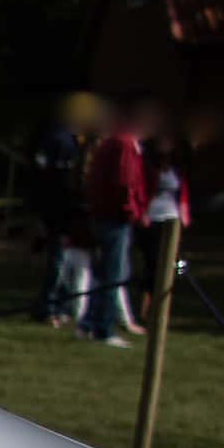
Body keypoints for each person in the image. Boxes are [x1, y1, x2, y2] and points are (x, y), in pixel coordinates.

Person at [80, 115, 148, 346]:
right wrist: (133, 212)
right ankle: (103, 328)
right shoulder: (124, 143)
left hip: (104, 215)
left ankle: (88, 323)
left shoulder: (113, 141)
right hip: (115, 217)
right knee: (113, 275)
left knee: (103, 274)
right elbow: (125, 182)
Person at [21, 105, 90, 325]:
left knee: (63, 259)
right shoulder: (60, 140)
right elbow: (46, 179)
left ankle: (58, 306)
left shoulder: (72, 140)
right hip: (57, 210)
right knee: (58, 260)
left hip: (64, 210)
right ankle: (48, 307)